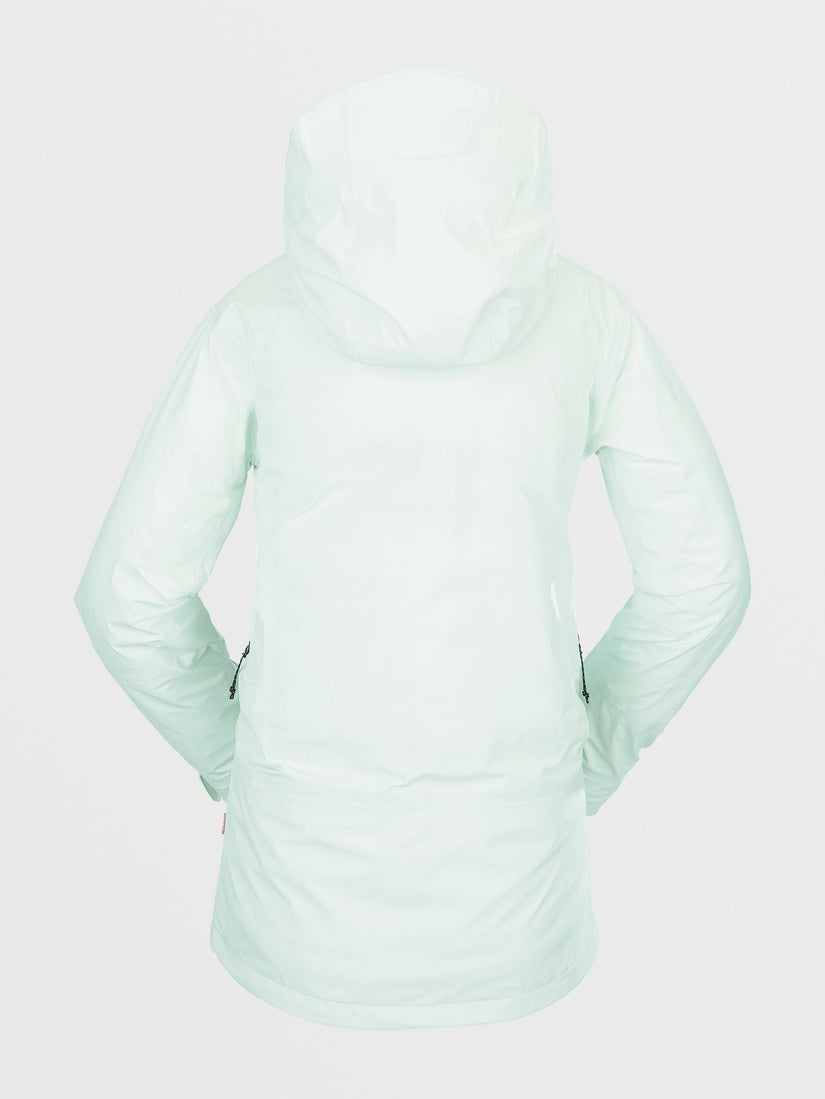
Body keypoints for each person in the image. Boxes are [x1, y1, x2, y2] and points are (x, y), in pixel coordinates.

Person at [73, 68, 751, 1029]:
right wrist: (584, 762)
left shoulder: (255, 321)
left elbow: (128, 597)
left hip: (292, 906)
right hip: (522, 902)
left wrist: (237, 763)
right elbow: (701, 579)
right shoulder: (590, 319)